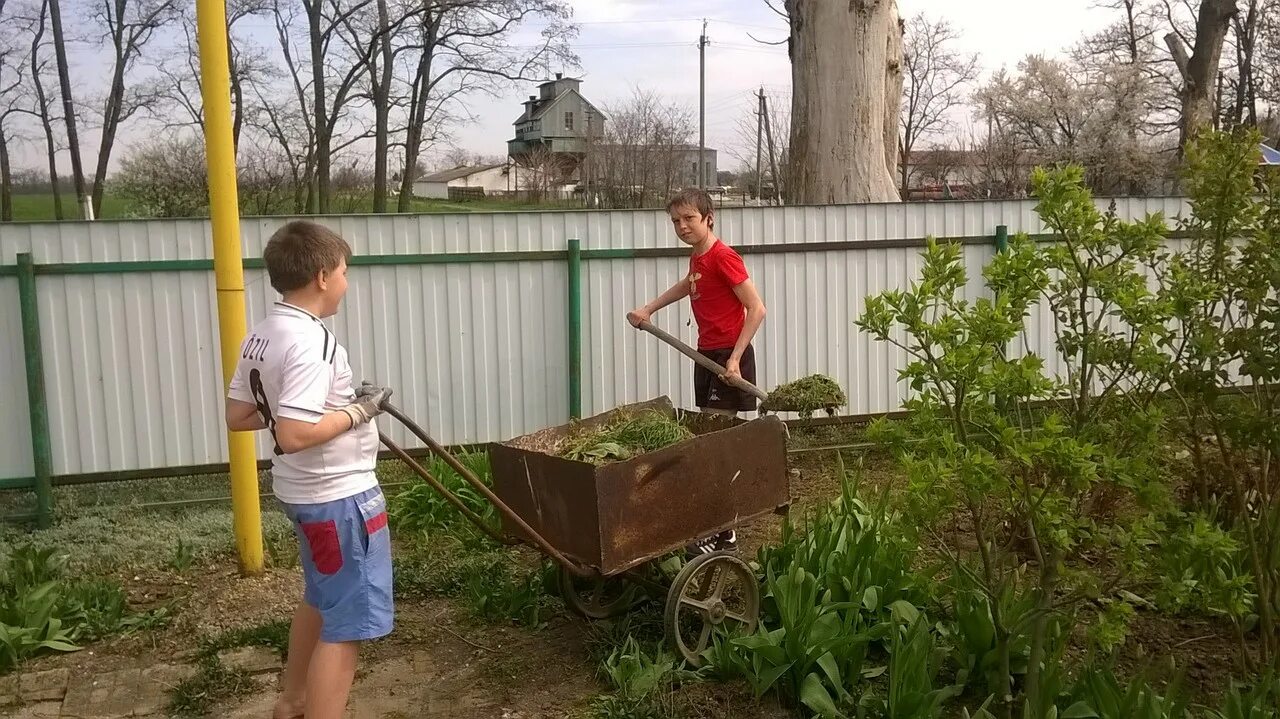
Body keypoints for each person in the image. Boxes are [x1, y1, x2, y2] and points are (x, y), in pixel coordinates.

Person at [224, 219, 394, 719]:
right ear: (322, 276)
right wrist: (360, 411)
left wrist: (325, 406)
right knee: (347, 627)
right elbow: (295, 434)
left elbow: (239, 416)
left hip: (303, 496)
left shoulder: (263, 334)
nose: (345, 281)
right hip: (338, 500)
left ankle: (293, 701)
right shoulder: (311, 341)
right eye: (343, 271)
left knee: (322, 598)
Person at [626, 187, 767, 555]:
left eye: (689, 218)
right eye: (675, 221)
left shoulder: (724, 257)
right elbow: (688, 287)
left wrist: (735, 359)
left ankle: (723, 531)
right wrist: (649, 309)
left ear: (709, 217)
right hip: (706, 355)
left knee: (711, 444)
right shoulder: (699, 259)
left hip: (726, 358)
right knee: (709, 438)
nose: (682, 226)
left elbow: (757, 309)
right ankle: (719, 528)